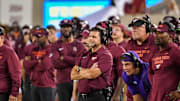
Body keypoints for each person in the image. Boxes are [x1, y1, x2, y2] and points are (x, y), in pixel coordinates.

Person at [71, 26, 113, 101]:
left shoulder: (105, 55)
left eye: (94, 37)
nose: (90, 39)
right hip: (81, 96)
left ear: (102, 39)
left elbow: (92, 75)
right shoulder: (85, 54)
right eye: (90, 36)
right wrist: (89, 70)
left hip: (96, 97)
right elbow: (72, 75)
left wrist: (79, 70)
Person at [122, 15, 156, 101]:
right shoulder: (129, 44)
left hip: (152, 91)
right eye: (133, 27)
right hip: (133, 91)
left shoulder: (156, 43)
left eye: (138, 26)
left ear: (148, 28)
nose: (134, 29)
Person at [52, 19, 84, 101]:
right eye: (63, 27)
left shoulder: (79, 45)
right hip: (62, 81)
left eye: (68, 27)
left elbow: (80, 62)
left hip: (78, 80)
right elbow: (55, 63)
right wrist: (73, 61)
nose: (66, 29)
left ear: (72, 28)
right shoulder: (56, 45)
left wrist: (64, 58)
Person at [148, 22, 180, 101]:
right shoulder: (154, 52)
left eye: (161, 33)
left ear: (171, 35)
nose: (157, 35)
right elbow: (150, 73)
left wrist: (179, 93)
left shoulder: (176, 51)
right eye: (156, 32)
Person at [23, 28, 56, 101]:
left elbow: (44, 66)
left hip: (47, 86)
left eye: (40, 37)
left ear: (46, 36)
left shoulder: (52, 49)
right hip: (35, 85)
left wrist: (32, 63)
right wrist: (37, 61)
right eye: (36, 37)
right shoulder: (34, 49)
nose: (37, 39)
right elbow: (25, 65)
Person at [0, 27, 21, 101]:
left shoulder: (9, 53)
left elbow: (16, 73)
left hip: (3, 93)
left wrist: (14, 92)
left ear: (2, 37)